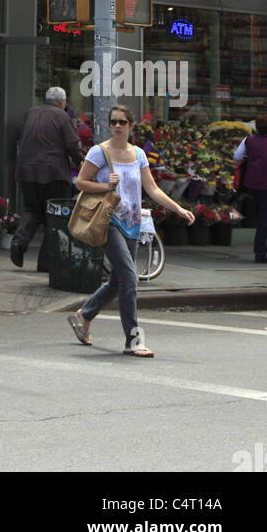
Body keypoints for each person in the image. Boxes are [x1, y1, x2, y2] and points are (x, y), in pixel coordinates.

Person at [67, 104, 195, 358]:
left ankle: (85, 314)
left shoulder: (138, 155)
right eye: (113, 121)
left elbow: (153, 189)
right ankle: (133, 340)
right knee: (129, 277)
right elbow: (80, 182)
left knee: (118, 280)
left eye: (122, 122)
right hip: (109, 221)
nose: (116, 126)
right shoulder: (99, 152)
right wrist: (105, 185)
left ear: (131, 126)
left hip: (133, 223)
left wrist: (178, 209)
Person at [10, 85, 82, 272]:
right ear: (62, 102)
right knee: (55, 216)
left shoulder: (30, 113)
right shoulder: (62, 116)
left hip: (27, 172)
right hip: (53, 173)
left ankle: (19, 241)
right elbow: (73, 144)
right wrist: (81, 163)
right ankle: (46, 263)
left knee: (32, 210)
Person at [234, 115, 267, 263]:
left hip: (252, 184)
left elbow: (237, 157)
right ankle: (260, 253)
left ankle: (261, 251)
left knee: (265, 217)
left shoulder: (249, 140)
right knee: (265, 219)